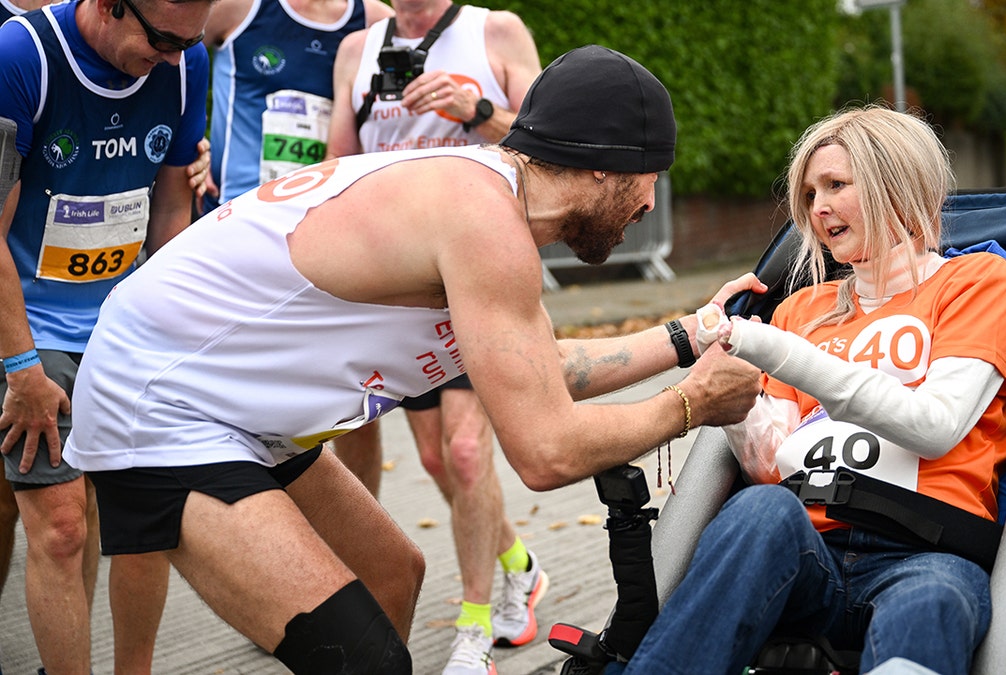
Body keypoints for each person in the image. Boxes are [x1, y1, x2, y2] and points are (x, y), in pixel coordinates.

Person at [59, 45, 762, 675]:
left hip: (232, 402)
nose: (649, 202)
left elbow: (546, 363)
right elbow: (545, 452)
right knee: (364, 657)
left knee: (393, 574)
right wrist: (691, 404)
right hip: (159, 398)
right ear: (603, 159)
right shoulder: (482, 219)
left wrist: (692, 333)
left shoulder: (485, 199)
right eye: (649, 177)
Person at [609, 106, 1006, 675]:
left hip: (927, 552)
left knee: (932, 604)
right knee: (760, 508)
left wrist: (778, 353)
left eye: (836, 185)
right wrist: (728, 377)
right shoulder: (800, 310)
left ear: (897, 183)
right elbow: (768, 464)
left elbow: (934, 427)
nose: (818, 208)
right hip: (807, 547)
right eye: (810, 192)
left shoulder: (979, 283)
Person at [326, 2, 545, 671]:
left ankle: (474, 630)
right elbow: (339, 166)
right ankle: (519, 563)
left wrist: (476, 111)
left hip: (480, 273)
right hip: (399, 285)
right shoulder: (357, 50)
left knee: (468, 452)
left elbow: (550, 146)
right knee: (436, 459)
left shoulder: (496, 31)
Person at [0, 0, 214, 672]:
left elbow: (173, 208)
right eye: (163, 40)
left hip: (123, 324)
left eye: (190, 41)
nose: (176, 57)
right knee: (61, 527)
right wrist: (22, 366)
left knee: (115, 519)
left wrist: (175, 336)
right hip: (29, 323)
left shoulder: (184, 62)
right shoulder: (21, 55)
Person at [199, 0, 392, 212]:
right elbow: (175, 56)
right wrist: (192, 142)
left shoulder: (375, 21)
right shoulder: (240, 5)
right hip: (233, 206)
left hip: (320, 213)